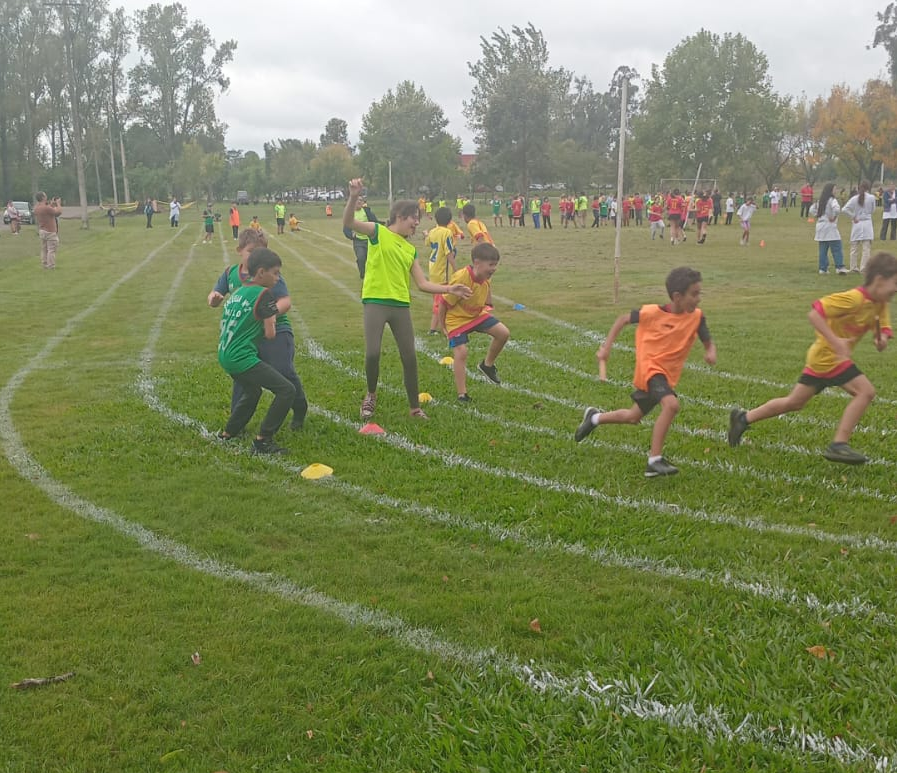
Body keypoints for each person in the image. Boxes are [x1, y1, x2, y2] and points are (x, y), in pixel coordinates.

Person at [728, 252, 897, 464]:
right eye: (895, 282)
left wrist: (881, 341)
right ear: (880, 280)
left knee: (794, 402)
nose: (896, 288)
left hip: (826, 360)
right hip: (828, 357)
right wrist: (837, 342)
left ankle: (743, 418)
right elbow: (815, 313)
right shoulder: (854, 299)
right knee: (865, 391)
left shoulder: (880, 303)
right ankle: (839, 445)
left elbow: (882, 334)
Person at [342, 177, 472, 420]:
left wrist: (449, 289)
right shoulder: (377, 232)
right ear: (400, 216)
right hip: (375, 302)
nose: (416, 224)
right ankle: (370, 394)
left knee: (409, 357)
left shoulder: (409, 249)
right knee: (372, 353)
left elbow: (422, 283)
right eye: (414, 218)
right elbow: (349, 222)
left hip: (400, 305)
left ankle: (414, 407)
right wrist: (352, 197)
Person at [574, 266, 717, 477]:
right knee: (671, 405)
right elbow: (623, 319)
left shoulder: (696, 317)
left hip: (666, 376)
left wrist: (710, 352)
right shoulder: (652, 313)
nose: (698, 299)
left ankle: (594, 418)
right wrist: (606, 348)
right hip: (650, 369)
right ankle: (654, 460)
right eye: (694, 294)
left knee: (633, 416)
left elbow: (706, 339)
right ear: (677, 297)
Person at [209, 228, 309, 433]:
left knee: (283, 372)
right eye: (252, 251)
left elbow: (285, 301)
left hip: (276, 331)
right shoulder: (231, 274)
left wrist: (267, 314)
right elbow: (216, 292)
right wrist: (214, 299)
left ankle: (299, 408)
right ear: (240, 251)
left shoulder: (270, 276)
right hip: (249, 335)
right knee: (245, 377)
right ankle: (238, 420)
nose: (256, 256)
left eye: (261, 251)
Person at [215, 247, 296, 455]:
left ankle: (228, 433)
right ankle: (263, 441)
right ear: (261, 272)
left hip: (225, 353)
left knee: (252, 391)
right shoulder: (264, 294)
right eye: (275, 273)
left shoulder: (238, 292)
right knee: (286, 390)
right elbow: (270, 334)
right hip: (241, 356)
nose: (278, 278)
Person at [438, 242, 509, 402]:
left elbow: (486, 291)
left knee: (503, 333)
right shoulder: (462, 277)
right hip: (456, 320)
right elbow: (443, 303)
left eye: (495, 265)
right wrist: (443, 326)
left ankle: (487, 365)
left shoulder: (485, 277)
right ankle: (462, 394)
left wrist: (488, 305)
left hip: (476, 315)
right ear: (477, 263)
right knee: (461, 352)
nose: (494, 268)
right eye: (491, 265)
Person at [426, 206, 457, 334]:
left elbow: (427, 243)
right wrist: (456, 269)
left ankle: (444, 324)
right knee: (440, 302)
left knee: (439, 299)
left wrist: (426, 234)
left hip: (433, 269)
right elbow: (449, 252)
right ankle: (434, 329)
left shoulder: (433, 231)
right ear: (450, 220)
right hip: (442, 272)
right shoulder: (447, 233)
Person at [343, 194, 379, 280]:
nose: (359, 202)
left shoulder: (367, 212)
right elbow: (346, 228)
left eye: (360, 200)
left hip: (370, 240)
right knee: (361, 257)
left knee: (372, 259)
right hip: (358, 241)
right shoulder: (350, 214)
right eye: (357, 200)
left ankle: (372, 274)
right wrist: (351, 235)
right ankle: (363, 274)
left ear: (363, 202)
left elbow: (375, 223)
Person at [813, 182, 846, 275]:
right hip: (830, 226)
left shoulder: (820, 200)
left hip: (820, 226)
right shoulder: (832, 200)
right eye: (834, 189)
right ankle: (839, 267)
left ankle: (823, 268)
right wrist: (834, 217)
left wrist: (818, 215)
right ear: (830, 190)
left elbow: (812, 209)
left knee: (823, 249)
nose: (836, 191)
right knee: (836, 247)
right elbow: (836, 209)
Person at [843, 180, 876, 272]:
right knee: (866, 248)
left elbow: (844, 209)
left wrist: (853, 216)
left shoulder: (854, 199)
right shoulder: (872, 198)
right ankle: (863, 268)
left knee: (854, 247)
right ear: (868, 188)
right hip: (867, 224)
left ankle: (853, 267)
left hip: (857, 223)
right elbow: (873, 210)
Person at [33, 192, 62, 269]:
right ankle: (51, 266)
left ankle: (44, 265)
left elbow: (47, 210)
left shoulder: (36, 208)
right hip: (50, 231)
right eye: (45, 195)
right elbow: (58, 212)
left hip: (42, 230)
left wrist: (51, 204)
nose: (46, 196)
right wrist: (58, 204)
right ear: (43, 197)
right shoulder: (46, 208)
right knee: (51, 250)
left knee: (44, 249)